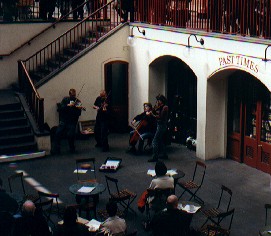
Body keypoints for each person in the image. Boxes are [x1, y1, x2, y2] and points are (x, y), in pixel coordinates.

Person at [51, 88, 83, 154]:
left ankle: (72, 148)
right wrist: (68, 105)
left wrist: (77, 108)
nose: (73, 97)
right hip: (64, 120)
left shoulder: (77, 101)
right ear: (69, 94)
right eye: (72, 95)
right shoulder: (65, 99)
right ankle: (56, 149)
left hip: (72, 121)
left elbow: (78, 114)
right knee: (57, 133)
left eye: (74, 95)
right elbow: (60, 109)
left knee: (70, 135)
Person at [148, 94, 169, 162]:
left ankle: (155, 157)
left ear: (162, 100)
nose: (157, 101)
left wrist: (152, 114)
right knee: (160, 140)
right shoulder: (160, 107)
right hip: (159, 125)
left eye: (158, 100)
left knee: (154, 141)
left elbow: (160, 117)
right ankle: (164, 154)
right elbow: (156, 112)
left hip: (162, 125)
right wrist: (153, 110)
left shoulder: (165, 107)